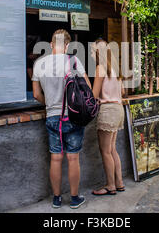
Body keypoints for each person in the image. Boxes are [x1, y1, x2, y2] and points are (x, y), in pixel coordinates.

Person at [32, 29, 92, 209]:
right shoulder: (73, 61)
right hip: (72, 116)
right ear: (67, 45)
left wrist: (49, 104)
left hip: (52, 117)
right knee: (73, 158)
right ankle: (74, 198)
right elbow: (87, 88)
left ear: (51, 45)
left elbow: (36, 94)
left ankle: (56, 199)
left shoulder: (39, 63)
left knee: (55, 158)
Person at [91, 39, 126, 196]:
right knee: (112, 149)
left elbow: (93, 94)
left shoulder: (100, 68)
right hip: (119, 109)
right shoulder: (116, 69)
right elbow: (123, 92)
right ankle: (119, 182)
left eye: (92, 50)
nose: (91, 53)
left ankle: (110, 185)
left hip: (107, 111)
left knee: (105, 151)